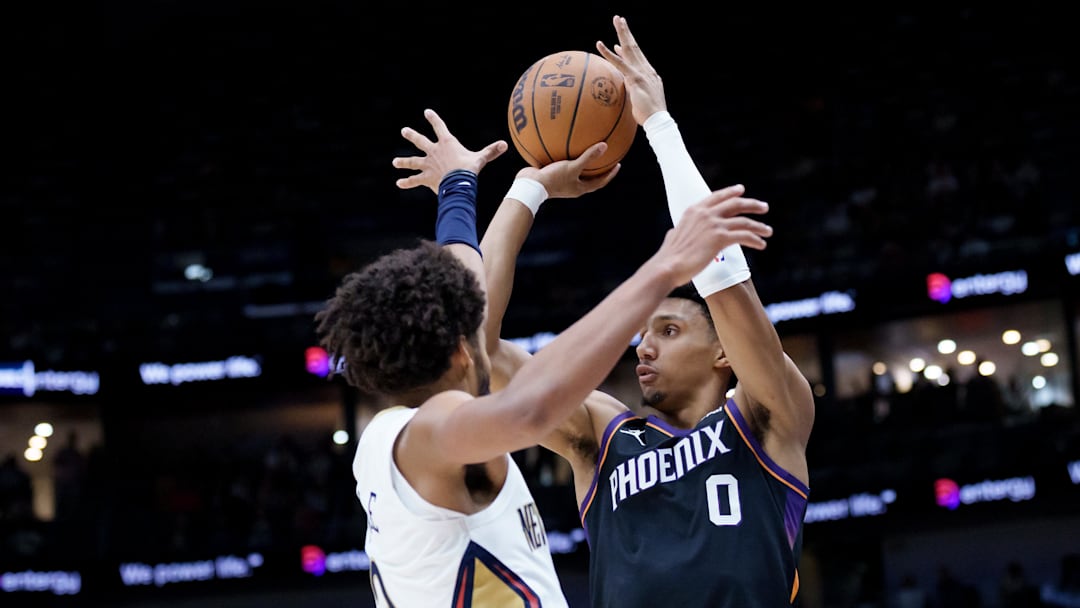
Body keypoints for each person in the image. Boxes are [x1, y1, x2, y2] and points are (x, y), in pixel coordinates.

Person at [314, 108, 773, 607]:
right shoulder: (434, 430)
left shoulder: (390, 436)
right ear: (459, 352)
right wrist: (661, 269)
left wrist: (484, 188)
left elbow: (468, 290)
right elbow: (529, 407)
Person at [479, 15, 814, 607]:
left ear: (721, 352)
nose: (643, 345)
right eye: (642, 332)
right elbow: (478, 342)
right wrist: (527, 189)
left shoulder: (766, 417)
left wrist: (658, 124)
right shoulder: (603, 436)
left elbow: (722, 275)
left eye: (668, 328)